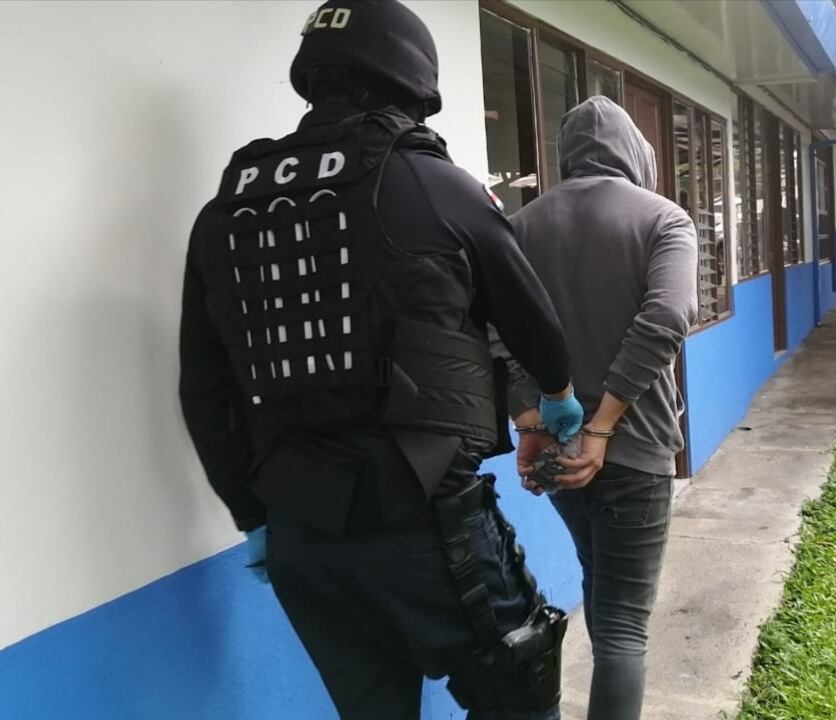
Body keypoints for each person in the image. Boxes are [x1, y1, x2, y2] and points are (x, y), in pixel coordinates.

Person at [178, 1, 584, 718]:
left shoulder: (226, 211)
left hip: (302, 538)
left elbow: (204, 388)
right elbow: (535, 324)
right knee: (520, 700)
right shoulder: (432, 183)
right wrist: (556, 394)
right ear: (410, 80)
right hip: (429, 528)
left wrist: (252, 517)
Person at [506, 96, 698, 720]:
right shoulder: (664, 219)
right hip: (635, 452)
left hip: (558, 454)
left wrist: (528, 421)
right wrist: (604, 426)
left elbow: (492, 332)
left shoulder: (520, 227)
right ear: (635, 152)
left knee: (600, 588)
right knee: (621, 630)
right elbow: (668, 316)